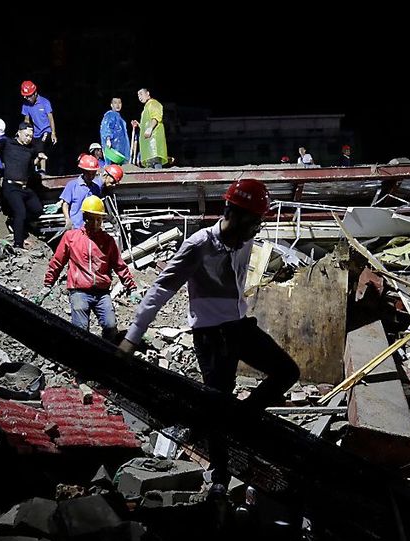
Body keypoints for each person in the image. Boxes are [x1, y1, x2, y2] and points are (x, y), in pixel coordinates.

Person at [119, 179, 300, 491]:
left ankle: (238, 424)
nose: (257, 229)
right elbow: (161, 289)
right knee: (217, 402)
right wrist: (132, 337)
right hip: (210, 336)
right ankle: (220, 478)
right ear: (234, 213)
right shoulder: (198, 245)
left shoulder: (243, 244)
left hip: (240, 327)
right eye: (254, 222)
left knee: (287, 372)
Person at [44, 195, 136, 340]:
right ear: (85, 217)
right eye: (91, 219)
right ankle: (81, 358)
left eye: (98, 219)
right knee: (80, 331)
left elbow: (119, 265)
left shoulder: (108, 241)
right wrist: (48, 283)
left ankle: (107, 354)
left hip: (101, 292)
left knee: (110, 325)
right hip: (79, 290)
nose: (95, 223)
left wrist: (132, 287)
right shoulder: (71, 237)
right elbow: (58, 261)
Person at [0, 122, 46, 248]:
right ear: (19, 132)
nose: (28, 138)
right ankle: (18, 244)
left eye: (30, 136)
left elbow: (31, 164)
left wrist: (39, 158)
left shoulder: (31, 148)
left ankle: (14, 222)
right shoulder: (7, 142)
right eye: (26, 135)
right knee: (20, 212)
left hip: (25, 187)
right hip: (11, 186)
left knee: (38, 210)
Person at [20, 80, 57, 173]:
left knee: (41, 146)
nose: (26, 98)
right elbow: (26, 120)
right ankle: (32, 170)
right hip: (35, 133)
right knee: (29, 148)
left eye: (28, 96)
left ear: (35, 93)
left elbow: (51, 119)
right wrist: (25, 133)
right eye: (25, 96)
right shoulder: (25, 104)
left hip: (46, 131)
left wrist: (53, 133)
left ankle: (42, 171)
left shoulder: (45, 102)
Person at [58, 155, 102, 229]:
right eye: (88, 173)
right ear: (83, 171)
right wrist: (68, 220)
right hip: (76, 227)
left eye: (93, 174)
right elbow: (65, 204)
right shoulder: (72, 185)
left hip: (91, 228)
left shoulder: (96, 188)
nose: (91, 176)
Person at [131, 88, 167, 169]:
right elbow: (147, 124)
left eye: (141, 94)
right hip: (148, 144)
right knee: (150, 163)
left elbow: (156, 117)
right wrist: (140, 125)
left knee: (155, 161)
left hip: (154, 141)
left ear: (147, 93)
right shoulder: (146, 107)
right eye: (138, 95)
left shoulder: (153, 103)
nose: (140, 97)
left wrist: (150, 128)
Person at [100, 97, 130, 164]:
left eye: (119, 103)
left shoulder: (121, 119)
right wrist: (108, 139)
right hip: (113, 150)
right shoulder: (109, 115)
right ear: (111, 104)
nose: (117, 105)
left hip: (121, 152)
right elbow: (106, 127)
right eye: (115, 103)